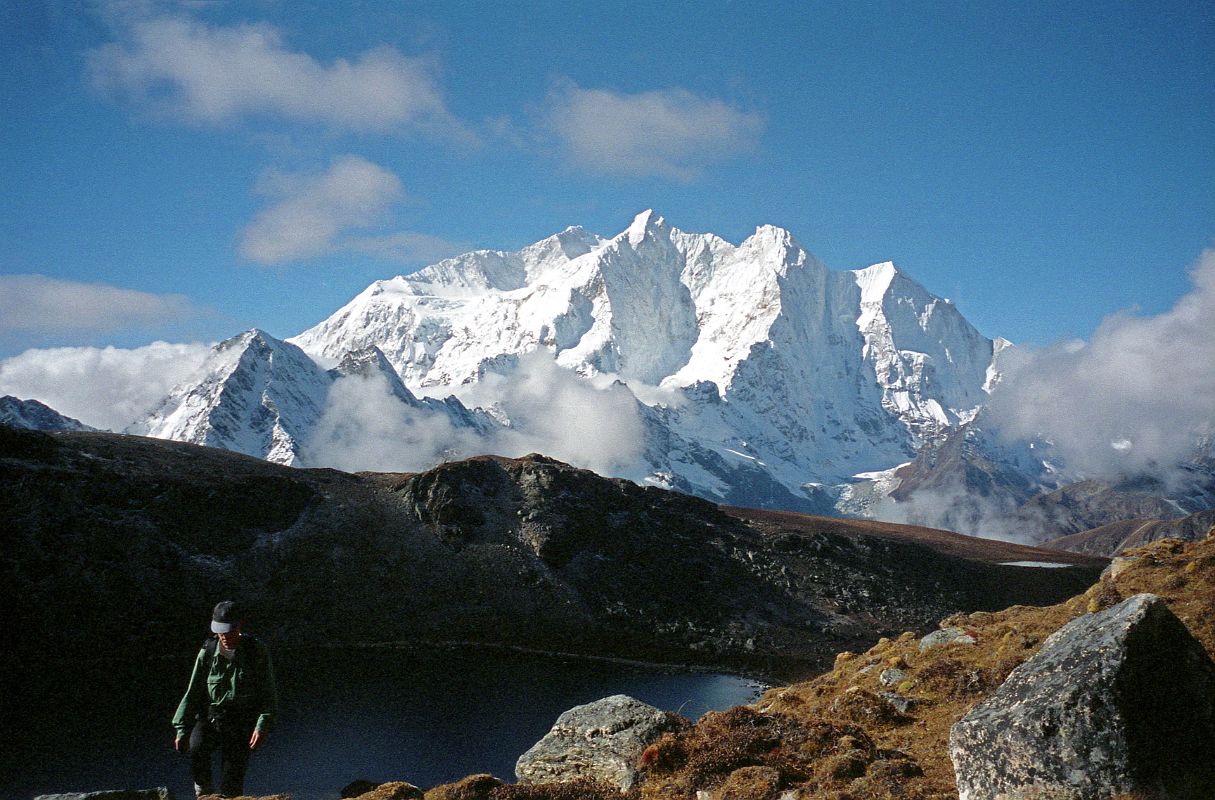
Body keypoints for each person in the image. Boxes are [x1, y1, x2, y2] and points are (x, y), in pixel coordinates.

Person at [172, 600, 279, 798]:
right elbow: (193, 691)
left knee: (232, 783)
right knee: (197, 750)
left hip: (240, 722)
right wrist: (181, 728)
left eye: (229, 631)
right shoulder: (208, 651)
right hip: (211, 717)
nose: (225, 637)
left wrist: (261, 725)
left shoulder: (256, 652)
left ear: (240, 626)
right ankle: (204, 794)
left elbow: (268, 694)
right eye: (221, 632)